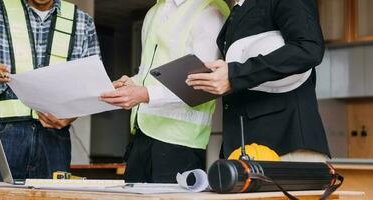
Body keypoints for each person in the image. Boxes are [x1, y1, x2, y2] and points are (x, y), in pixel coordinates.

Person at [0, 0, 100, 181]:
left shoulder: (81, 21)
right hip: (3, 135)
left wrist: (71, 114)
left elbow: (91, 84)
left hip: (54, 138)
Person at [100, 0, 229, 183]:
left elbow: (203, 85)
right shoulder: (154, 11)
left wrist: (144, 94)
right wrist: (131, 84)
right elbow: (148, 73)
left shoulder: (209, 11)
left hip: (180, 143)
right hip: (142, 135)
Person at [186, 0, 330, 161]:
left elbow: (308, 48)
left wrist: (234, 75)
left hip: (286, 143)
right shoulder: (236, 10)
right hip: (244, 149)